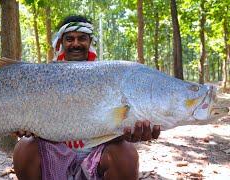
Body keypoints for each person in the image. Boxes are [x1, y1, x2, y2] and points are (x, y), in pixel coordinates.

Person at [13, 15, 161, 180]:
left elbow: (115, 122)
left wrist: (129, 132)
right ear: (61, 42)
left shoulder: (109, 76)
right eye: (70, 39)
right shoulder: (43, 78)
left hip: (97, 154)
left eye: (82, 38)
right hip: (55, 152)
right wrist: (23, 125)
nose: (76, 43)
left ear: (90, 42)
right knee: (24, 148)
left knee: (126, 154)